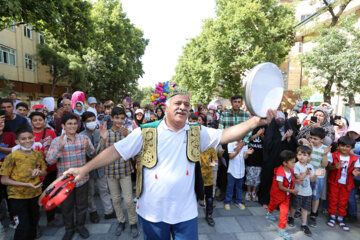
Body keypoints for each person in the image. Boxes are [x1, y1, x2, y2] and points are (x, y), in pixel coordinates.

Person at [63, 90, 276, 240]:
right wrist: (84, 169)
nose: (183, 108)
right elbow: (116, 151)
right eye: (178, 104)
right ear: (166, 108)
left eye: (186, 105)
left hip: (186, 213)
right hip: (152, 213)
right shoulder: (147, 131)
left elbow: (226, 135)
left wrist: (256, 122)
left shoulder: (196, 131)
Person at [46, 114, 95, 240]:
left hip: (81, 179)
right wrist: (60, 147)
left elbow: (93, 154)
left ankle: (80, 226)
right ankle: (69, 229)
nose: (72, 126)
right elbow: (50, 161)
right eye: (69, 123)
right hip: (64, 182)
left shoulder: (83, 138)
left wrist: (88, 148)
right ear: (63, 126)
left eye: (74, 123)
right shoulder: (57, 141)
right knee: (66, 207)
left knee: (82, 205)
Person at [97, 107, 139, 237]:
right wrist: (103, 139)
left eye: (121, 118)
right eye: (116, 118)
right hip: (110, 171)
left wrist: (128, 137)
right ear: (111, 118)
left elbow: (134, 150)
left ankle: (133, 222)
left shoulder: (128, 132)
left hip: (125, 170)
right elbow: (99, 152)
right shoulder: (106, 133)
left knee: (128, 200)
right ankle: (121, 221)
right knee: (115, 199)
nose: (119, 120)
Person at [0, 126, 46, 240]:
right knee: (22, 228)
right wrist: (26, 184)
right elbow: (4, 180)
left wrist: (39, 172)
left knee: (33, 225)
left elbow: (44, 172)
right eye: (23, 139)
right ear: (17, 141)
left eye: (30, 138)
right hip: (17, 197)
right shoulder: (11, 157)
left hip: (35, 195)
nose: (27, 141)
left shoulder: (37, 154)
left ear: (34, 138)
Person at [80, 111, 115, 223]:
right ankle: (93, 212)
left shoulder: (100, 132)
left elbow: (105, 149)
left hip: (100, 166)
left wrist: (103, 140)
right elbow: (89, 153)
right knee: (90, 192)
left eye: (93, 120)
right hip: (88, 167)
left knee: (104, 189)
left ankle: (109, 211)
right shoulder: (81, 135)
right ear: (84, 123)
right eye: (88, 121)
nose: (91, 123)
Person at [259, 111, 297, 206]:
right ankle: (266, 200)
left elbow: (293, 147)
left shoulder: (287, 129)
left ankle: (279, 201)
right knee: (270, 181)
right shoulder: (271, 130)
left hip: (283, 161)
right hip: (272, 161)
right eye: (278, 120)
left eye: (282, 119)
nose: (280, 121)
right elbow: (268, 145)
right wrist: (281, 139)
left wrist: (289, 139)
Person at [216, 94, 250, 201]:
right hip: (227, 144)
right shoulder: (225, 114)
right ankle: (224, 193)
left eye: (239, 102)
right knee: (225, 170)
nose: (237, 104)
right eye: (235, 102)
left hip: (241, 144)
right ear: (231, 103)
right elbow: (220, 130)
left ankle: (237, 194)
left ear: (241, 103)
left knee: (239, 168)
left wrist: (243, 142)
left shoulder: (245, 115)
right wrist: (221, 146)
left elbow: (249, 130)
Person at [29, 112, 59, 226]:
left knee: (50, 193)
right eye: (35, 120)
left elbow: (56, 146)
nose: (38, 122)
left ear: (44, 121)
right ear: (31, 122)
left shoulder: (50, 132)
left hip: (50, 168)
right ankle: (35, 223)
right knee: (36, 195)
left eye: (40, 120)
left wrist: (51, 147)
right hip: (35, 171)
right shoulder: (28, 134)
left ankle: (51, 218)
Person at [326, 136, 360, 231]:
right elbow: (329, 168)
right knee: (333, 199)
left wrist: (355, 173)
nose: (344, 148)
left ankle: (340, 218)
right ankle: (332, 217)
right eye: (342, 145)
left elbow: (355, 170)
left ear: (352, 148)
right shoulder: (333, 155)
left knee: (343, 201)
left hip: (347, 184)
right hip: (334, 182)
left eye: (347, 146)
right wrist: (334, 167)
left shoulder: (355, 158)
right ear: (338, 145)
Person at [287, 146, 321, 237]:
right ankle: (291, 217)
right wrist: (306, 173)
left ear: (309, 157)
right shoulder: (296, 165)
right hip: (297, 191)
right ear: (296, 155)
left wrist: (316, 175)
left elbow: (312, 180)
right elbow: (298, 178)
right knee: (294, 206)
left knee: (305, 209)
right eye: (299, 154)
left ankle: (304, 224)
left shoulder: (310, 166)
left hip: (307, 192)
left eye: (304, 155)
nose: (302, 157)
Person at [266, 150, 298, 240]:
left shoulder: (290, 170)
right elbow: (280, 187)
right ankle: (269, 212)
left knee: (284, 213)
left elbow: (290, 180)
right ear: (285, 163)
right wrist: (291, 191)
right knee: (273, 204)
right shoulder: (280, 172)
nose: (294, 164)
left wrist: (296, 181)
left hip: (285, 197)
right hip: (277, 194)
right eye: (292, 162)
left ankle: (281, 229)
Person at [308, 127, 331, 227]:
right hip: (308, 175)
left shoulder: (325, 149)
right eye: (311, 138)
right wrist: (310, 151)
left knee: (316, 196)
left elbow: (325, 165)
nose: (313, 140)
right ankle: (301, 209)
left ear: (322, 140)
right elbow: (306, 161)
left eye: (315, 139)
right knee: (305, 194)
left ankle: (313, 214)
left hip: (319, 177)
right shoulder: (309, 147)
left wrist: (325, 154)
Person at [198, 114, 217, 226]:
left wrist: (213, 163)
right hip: (196, 176)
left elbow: (215, 159)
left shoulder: (211, 147)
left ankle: (209, 215)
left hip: (208, 176)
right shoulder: (196, 147)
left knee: (209, 198)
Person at [224, 140, 253, 210]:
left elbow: (245, 157)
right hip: (232, 170)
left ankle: (238, 201)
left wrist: (248, 153)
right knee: (230, 187)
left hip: (241, 169)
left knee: (239, 187)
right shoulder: (231, 143)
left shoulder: (244, 144)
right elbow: (230, 156)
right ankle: (227, 202)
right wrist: (238, 150)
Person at [244, 127, 265, 201]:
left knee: (257, 177)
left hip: (259, 158)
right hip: (251, 158)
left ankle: (254, 192)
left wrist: (262, 135)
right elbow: (248, 139)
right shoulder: (251, 129)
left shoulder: (263, 128)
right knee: (249, 176)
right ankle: (248, 192)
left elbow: (264, 141)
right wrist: (257, 134)